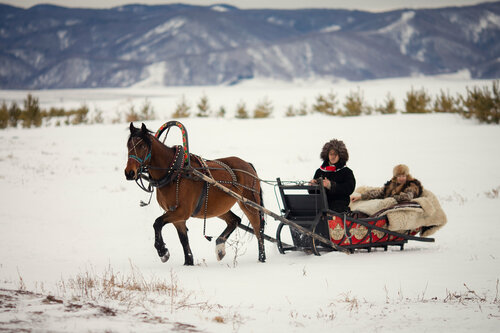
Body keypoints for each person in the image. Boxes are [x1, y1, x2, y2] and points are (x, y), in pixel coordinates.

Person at [310, 139, 356, 213]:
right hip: (321, 205)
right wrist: (312, 186)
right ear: (327, 155)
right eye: (331, 154)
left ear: (340, 156)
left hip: (339, 206)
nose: (333, 157)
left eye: (335, 154)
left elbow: (349, 188)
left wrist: (331, 186)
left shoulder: (346, 171)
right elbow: (314, 194)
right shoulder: (320, 171)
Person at [351, 164, 423, 203]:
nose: (401, 178)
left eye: (403, 176)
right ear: (396, 176)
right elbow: (380, 192)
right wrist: (361, 196)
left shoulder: (411, 185)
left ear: (406, 176)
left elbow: (408, 197)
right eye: (399, 176)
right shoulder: (392, 184)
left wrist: (391, 198)